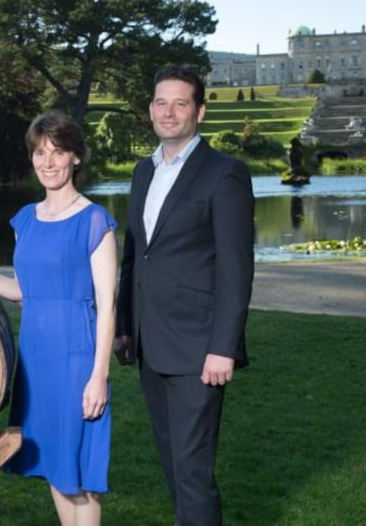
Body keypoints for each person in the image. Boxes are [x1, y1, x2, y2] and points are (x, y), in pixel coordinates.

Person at [0, 111, 117, 526]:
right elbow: (26, 290)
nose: (47, 163)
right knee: (55, 462)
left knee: (80, 470)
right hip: (36, 359)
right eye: (39, 153)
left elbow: (107, 304)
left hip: (76, 357)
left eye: (58, 152)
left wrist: (99, 376)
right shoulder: (26, 220)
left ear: (76, 157)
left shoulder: (94, 221)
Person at [115, 64, 254, 526]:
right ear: (150, 109)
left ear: (200, 111)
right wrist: (124, 326)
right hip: (150, 344)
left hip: (198, 349)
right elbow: (135, 256)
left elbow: (236, 270)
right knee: (175, 467)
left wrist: (223, 348)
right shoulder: (143, 171)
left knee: (193, 472)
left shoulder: (224, 174)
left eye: (180, 103)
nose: (168, 112)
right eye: (161, 103)